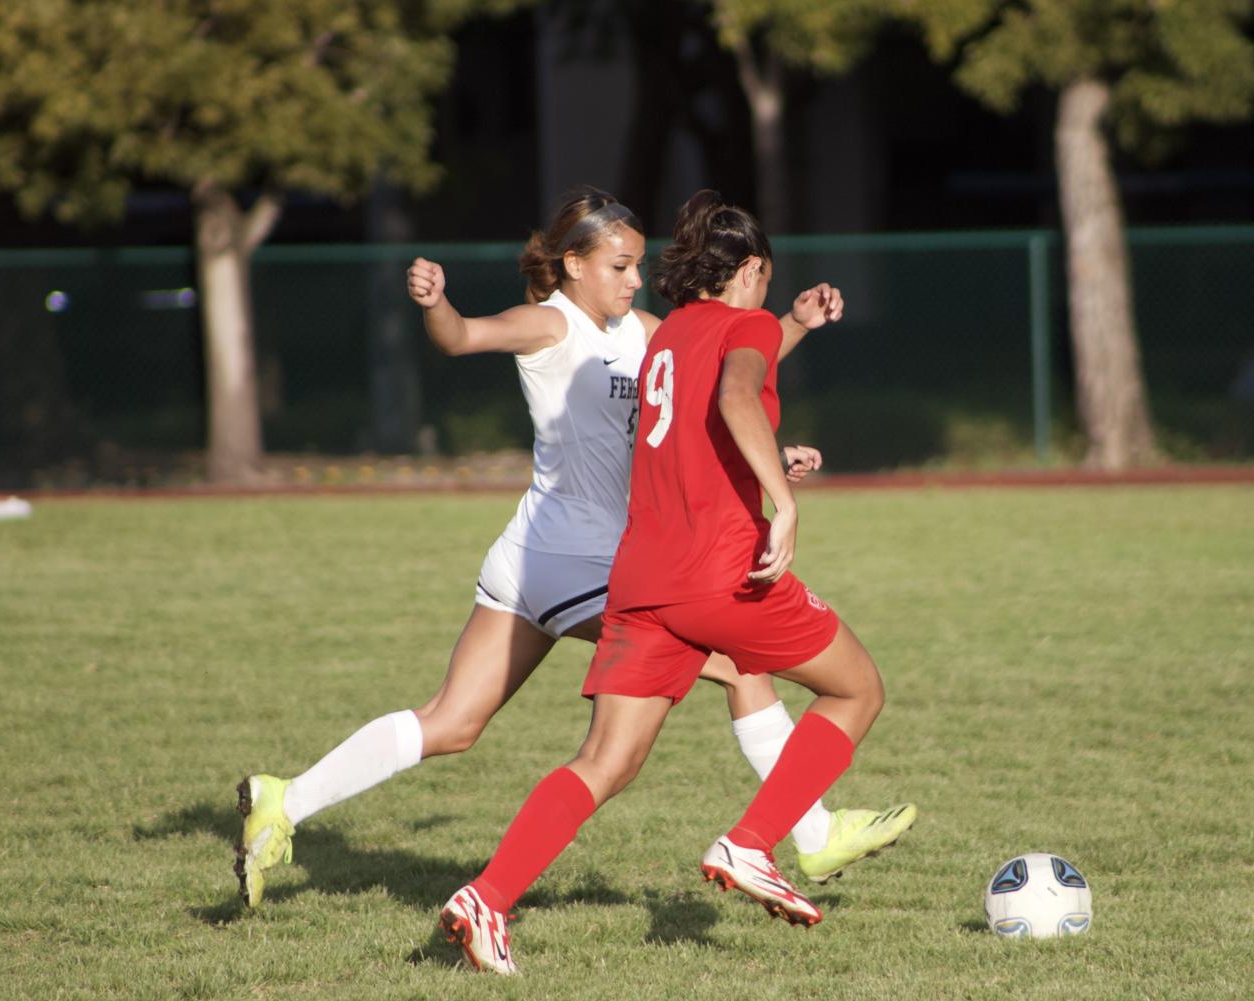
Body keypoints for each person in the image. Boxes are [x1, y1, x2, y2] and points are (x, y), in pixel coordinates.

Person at [234, 187, 914, 909]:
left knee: (453, 722)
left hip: (533, 554)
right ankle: (803, 830)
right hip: (574, 552)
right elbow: (462, 338)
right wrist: (436, 303)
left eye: (638, 266)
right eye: (619, 265)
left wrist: (789, 342)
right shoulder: (550, 324)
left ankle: (285, 798)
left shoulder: (647, 330)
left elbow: (711, 385)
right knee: (739, 658)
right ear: (573, 264)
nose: (632, 278)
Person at [438, 190, 899, 975]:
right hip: (721, 573)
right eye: (764, 278)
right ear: (751, 268)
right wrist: (780, 501)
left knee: (606, 761)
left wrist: (792, 328)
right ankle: (753, 842)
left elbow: (710, 398)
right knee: (856, 690)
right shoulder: (742, 326)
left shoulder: (666, 336)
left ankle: (486, 896)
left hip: (639, 580)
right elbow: (735, 391)